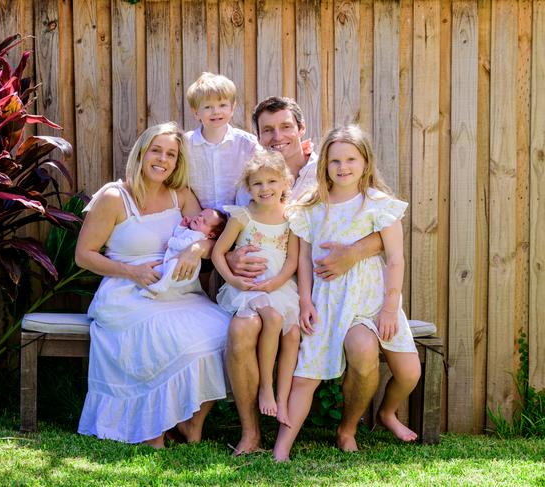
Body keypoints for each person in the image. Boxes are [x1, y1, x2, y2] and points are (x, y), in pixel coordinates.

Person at [224, 97, 385, 455]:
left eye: (285, 127)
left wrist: (353, 253)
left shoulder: (327, 169)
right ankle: (251, 432)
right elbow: (235, 230)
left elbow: (381, 225)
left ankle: (344, 428)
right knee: (241, 329)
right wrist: (233, 257)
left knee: (349, 348)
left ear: (301, 130)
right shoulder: (252, 180)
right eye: (267, 130)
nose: (277, 136)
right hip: (266, 284)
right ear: (258, 137)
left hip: (327, 287)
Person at [75, 122, 230, 448]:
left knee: (224, 330)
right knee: (161, 336)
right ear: (142, 153)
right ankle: (150, 427)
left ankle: (191, 423)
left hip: (178, 293)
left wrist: (197, 248)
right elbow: (84, 256)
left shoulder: (181, 196)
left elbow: (213, 239)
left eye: (171, 154)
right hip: (126, 293)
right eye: (156, 151)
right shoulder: (114, 197)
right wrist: (131, 272)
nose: (163, 159)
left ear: (178, 162)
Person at [272, 125, 421, 461]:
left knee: (410, 372)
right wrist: (306, 301)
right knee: (306, 373)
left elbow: (395, 260)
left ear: (365, 162)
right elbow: (305, 262)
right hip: (327, 301)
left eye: (351, 159)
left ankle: (385, 413)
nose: (343, 167)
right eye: (335, 160)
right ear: (324, 164)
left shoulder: (379, 206)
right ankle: (283, 445)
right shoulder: (311, 207)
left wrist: (388, 308)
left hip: (372, 302)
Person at [212, 151, 301, 429]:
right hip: (247, 288)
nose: (265, 189)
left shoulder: (291, 218)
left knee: (293, 335)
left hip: (279, 287)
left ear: (285, 182)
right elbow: (218, 253)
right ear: (248, 188)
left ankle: (283, 400)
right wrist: (233, 280)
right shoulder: (242, 216)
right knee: (273, 319)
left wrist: (276, 283)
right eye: (258, 183)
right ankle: (266, 386)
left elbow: (292, 260)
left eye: (272, 181)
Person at [184, 72, 259, 211]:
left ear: (232, 108)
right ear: (195, 112)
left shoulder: (248, 144)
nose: (216, 112)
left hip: (240, 220)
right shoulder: (185, 145)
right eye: (207, 107)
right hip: (198, 221)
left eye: (222, 105)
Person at [140, 208, 227, 298]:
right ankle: (157, 284)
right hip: (174, 265)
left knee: (173, 264)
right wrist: (182, 226)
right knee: (159, 268)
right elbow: (178, 235)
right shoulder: (191, 231)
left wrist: (170, 242)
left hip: (184, 270)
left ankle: (160, 287)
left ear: (210, 235)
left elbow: (184, 244)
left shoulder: (198, 236)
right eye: (200, 215)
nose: (199, 219)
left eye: (204, 221)